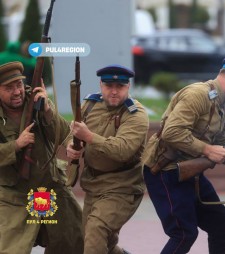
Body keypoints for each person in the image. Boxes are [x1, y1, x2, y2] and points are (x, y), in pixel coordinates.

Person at [142, 58, 225, 254]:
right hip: (165, 170)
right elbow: (171, 132)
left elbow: (219, 148)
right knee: (183, 233)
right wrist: (207, 150)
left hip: (190, 172)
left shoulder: (222, 104)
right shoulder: (198, 95)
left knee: (220, 223)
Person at [0, 61, 83, 253]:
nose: (17, 91)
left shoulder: (37, 101)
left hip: (47, 188)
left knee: (72, 239)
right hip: (14, 194)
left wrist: (47, 111)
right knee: (11, 248)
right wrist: (16, 145)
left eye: (19, 85)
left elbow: (64, 134)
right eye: (9, 88)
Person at [66, 64, 149, 254]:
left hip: (123, 186)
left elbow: (123, 150)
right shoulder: (90, 104)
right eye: (108, 86)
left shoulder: (136, 114)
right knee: (95, 239)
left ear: (128, 87)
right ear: (100, 85)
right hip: (94, 183)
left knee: (96, 230)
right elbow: (77, 134)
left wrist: (89, 137)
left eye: (119, 87)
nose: (113, 92)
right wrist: (74, 146)